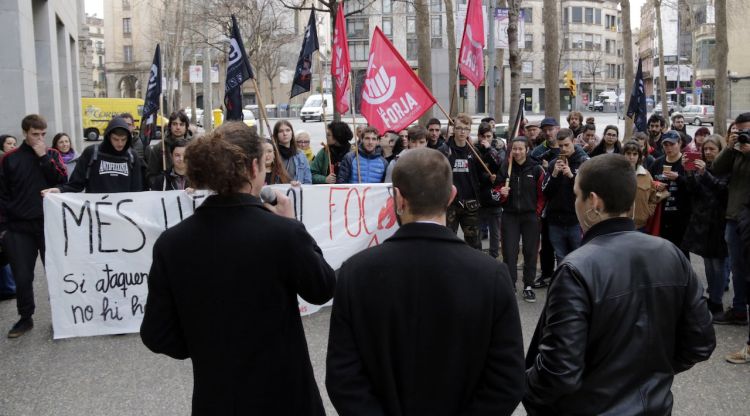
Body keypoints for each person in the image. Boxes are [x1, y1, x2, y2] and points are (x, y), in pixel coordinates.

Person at [140, 122, 336, 414]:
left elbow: (157, 333)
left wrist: (204, 345)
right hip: (285, 395)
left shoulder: (172, 243)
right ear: (254, 167)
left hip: (217, 396)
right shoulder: (283, 234)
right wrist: (294, 225)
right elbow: (322, 289)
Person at [326, 148, 525, 415]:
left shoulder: (355, 273)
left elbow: (344, 377)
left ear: (397, 198)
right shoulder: (491, 275)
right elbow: (507, 379)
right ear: (452, 195)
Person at [524, 153, 716, 415]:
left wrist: (524, 386)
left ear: (594, 202)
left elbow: (558, 372)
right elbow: (699, 343)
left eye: (577, 195)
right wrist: (651, 373)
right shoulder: (671, 254)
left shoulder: (575, 269)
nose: (575, 202)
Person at [0, 114, 68, 338]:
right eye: (34, 134)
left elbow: (61, 182)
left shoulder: (52, 154)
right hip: (19, 228)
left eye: (43, 134)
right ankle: (25, 317)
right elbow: (2, 194)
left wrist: (43, 158)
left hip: (49, 225)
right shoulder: (9, 159)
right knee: (22, 276)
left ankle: (61, 316)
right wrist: (4, 228)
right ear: (24, 133)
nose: (39, 139)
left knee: (55, 273)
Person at [682, 134, 728, 314]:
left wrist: (704, 174)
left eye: (712, 149)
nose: (708, 153)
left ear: (720, 150)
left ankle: (717, 302)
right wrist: (689, 172)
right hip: (703, 222)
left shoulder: (725, 168)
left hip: (719, 222)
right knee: (708, 264)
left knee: (719, 265)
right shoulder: (704, 167)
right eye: (705, 149)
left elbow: (722, 191)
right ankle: (713, 299)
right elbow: (695, 191)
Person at [712, 112, 750, 330]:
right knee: (737, 267)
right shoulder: (735, 151)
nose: (743, 134)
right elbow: (716, 168)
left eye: (747, 130)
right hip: (734, 217)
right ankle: (738, 310)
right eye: (739, 130)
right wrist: (729, 146)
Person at [42, 117, 143, 194]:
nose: (120, 143)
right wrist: (59, 190)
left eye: (123, 139)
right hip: (97, 214)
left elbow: (137, 189)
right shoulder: (91, 153)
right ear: (108, 137)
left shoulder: (131, 156)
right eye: (116, 139)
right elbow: (76, 183)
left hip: (122, 214)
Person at [498, 137, 545, 301]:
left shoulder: (536, 169)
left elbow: (542, 194)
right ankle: (510, 284)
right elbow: (496, 191)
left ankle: (528, 285)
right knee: (509, 252)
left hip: (530, 217)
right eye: (514, 149)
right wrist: (501, 194)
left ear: (527, 150)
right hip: (509, 215)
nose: (517, 152)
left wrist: (537, 212)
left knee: (530, 252)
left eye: (520, 149)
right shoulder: (506, 168)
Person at [542, 128, 589, 264]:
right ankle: (564, 283)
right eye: (560, 145)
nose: (563, 149)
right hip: (555, 220)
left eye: (566, 145)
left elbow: (587, 191)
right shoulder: (553, 164)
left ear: (574, 142)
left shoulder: (583, 162)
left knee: (579, 256)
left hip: (576, 220)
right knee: (561, 257)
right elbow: (545, 192)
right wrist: (555, 175)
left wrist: (571, 176)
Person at [439, 113, 485, 250]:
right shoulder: (444, 151)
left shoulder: (474, 152)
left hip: (470, 204)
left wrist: (490, 177)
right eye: (459, 128)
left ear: (470, 131)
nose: (462, 131)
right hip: (450, 204)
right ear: (453, 129)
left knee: (474, 244)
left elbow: (481, 175)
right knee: (446, 243)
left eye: (466, 128)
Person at [649, 130, 692, 258]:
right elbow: (649, 184)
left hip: (681, 219)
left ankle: (684, 278)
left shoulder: (685, 163)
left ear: (680, 144)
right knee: (662, 255)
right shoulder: (657, 163)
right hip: (660, 217)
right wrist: (656, 185)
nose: (668, 148)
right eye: (665, 145)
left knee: (681, 255)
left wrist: (678, 178)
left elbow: (694, 188)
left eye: (672, 144)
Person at [476, 122, 503, 259]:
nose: (486, 139)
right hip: (479, 196)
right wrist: (487, 177)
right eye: (483, 137)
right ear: (479, 136)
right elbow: (476, 172)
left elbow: (500, 165)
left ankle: (494, 256)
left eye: (489, 136)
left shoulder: (497, 148)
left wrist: (489, 150)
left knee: (495, 232)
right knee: (477, 232)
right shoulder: (474, 149)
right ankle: (478, 258)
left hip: (494, 196)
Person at [146, 110, 192, 187]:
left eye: (181, 124)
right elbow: (151, 176)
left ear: (186, 127)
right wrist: (162, 181)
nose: (178, 127)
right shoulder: (159, 148)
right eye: (175, 124)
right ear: (170, 126)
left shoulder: (194, 147)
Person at [622, 140, 658, 230]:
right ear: (623, 155)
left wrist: (648, 212)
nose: (631, 157)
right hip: (620, 225)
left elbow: (653, 198)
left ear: (639, 157)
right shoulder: (616, 174)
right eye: (628, 153)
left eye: (635, 154)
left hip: (641, 225)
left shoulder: (646, 175)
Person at [272, 120, 312, 185]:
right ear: (276, 134)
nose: (285, 134)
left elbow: (308, 180)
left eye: (288, 130)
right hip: (278, 193)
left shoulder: (300, 155)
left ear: (292, 133)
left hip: (297, 193)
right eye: (281, 131)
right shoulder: (272, 154)